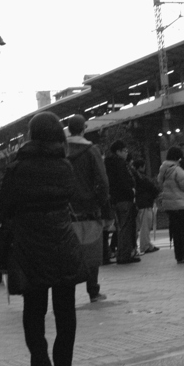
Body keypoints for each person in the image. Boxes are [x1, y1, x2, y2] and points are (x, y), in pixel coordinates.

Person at [0, 113, 84, 366]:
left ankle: (40, 364)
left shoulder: (16, 168)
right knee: (65, 310)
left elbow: (4, 207)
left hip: (29, 244)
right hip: (62, 240)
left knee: (34, 310)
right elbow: (72, 195)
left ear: (31, 135)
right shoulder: (65, 165)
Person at [65, 114, 111, 301]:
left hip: (67, 210)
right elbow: (102, 180)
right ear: (84, 128)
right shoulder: (92, 150)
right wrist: (103, 204)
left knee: (69, 253)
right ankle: (93, 290)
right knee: (92, 251)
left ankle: (67, 292)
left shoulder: (61, 151)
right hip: (90, 209)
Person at [157, 146, 184, 264]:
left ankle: (179, 256)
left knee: (175, 231)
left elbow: (161, 182)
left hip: (168, 205)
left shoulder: (163, 168)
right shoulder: (177, 169)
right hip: (179, 204)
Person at [105, 140, 139, 265]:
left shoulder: (108, 164)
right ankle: (124, 255)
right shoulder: (120, 164)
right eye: (125, 151)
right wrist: (131, 192)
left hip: (115, 199)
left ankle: (121, 254)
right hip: (124, 199)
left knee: (121, 228)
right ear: (118, 151)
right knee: (125, 228)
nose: (126, 153)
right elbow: (124, 181)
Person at [132, 158, 160, 255]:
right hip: (145, 203)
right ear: (141, 167)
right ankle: (145, 245)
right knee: (145, 226)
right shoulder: (142, 178)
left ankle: (142, 245)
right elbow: (152, 187)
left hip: (139, 203)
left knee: (139, 226)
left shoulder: (134, 177)